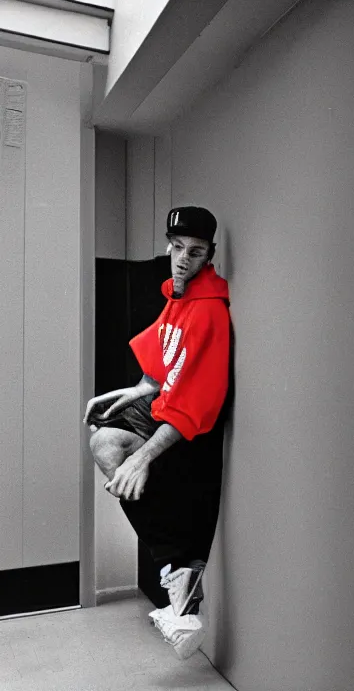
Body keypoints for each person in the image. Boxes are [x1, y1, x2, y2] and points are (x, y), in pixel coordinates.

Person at [84, 206, 231, 659]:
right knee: (103, 439)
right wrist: (132, 391)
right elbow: (162, 363)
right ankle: (176, 567)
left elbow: (193, 408)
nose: (183, 259)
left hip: (189, 431)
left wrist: (143, 457)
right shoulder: (178, 297)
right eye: (177, 248)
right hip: (164, 409)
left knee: (124, 456)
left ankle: (179, 572)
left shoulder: (209, 313)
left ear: (210, 256)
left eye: (196, 251)